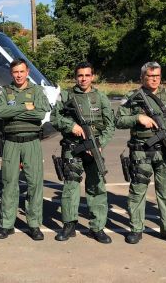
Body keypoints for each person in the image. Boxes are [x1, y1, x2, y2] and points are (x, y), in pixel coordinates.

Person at [116, 62, 166, 245]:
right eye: (150, 76)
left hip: (164, 152)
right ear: (142, 78)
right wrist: (138, 117)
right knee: (138, 191)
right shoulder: (132, 97)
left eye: (157, 76)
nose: (154, 79)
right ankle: (136, 229)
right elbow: (118, 119)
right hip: (141, 151)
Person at [52, 61, 115, 244]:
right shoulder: (65, 96)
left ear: (92, 76)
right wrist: (71, 126)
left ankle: (97, 227)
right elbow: (55, 117)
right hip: (73, 148)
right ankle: (69, 225)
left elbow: (110, 125)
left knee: (96, 186)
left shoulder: (101, 97)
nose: (83, 79)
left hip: (94, 148)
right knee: (70, 186)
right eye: (80, 75)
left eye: (87, 75)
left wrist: (100, 143)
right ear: (75, 77)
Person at [0, 58, 50, 241]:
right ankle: (6, 224)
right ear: (11, 73)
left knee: (34, 184)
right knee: (9, 183)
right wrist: (26, 107)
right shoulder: (4, 91)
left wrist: (16, 110)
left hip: (31, 142)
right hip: (11, 142)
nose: (18, 75)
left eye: (21, 71)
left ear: (27, 72)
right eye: (15, 72)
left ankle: (34, 224)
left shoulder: (37, 91)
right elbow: (2, 112)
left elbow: (41, 113)